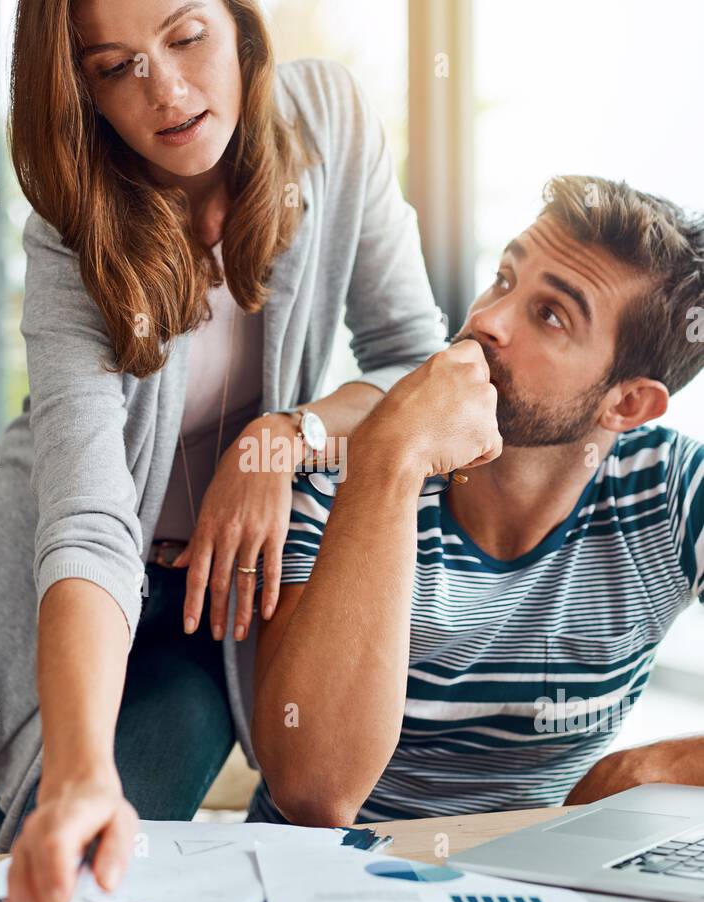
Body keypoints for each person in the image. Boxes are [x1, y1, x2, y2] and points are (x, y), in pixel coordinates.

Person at [0, 0, 447, 902]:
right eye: (117, 68)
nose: (167, 92)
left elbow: (415, 362)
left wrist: (284, 439)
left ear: (238, 20)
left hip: (200, 609)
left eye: (188, 38)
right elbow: (90, 511)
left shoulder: (332, 122)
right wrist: (80, 773)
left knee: (117, 901)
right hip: (16, 621)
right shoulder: (73, 218)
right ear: (85, 92)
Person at [249, 175, 704, 825]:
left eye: (549, 314)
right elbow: (314, 790)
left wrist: (648, 770)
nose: (485, 320)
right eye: (504, 279)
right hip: (327, 884)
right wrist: (391, 460)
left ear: (627, 403)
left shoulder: (675, 492)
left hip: (537, 884)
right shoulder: (340, 471)